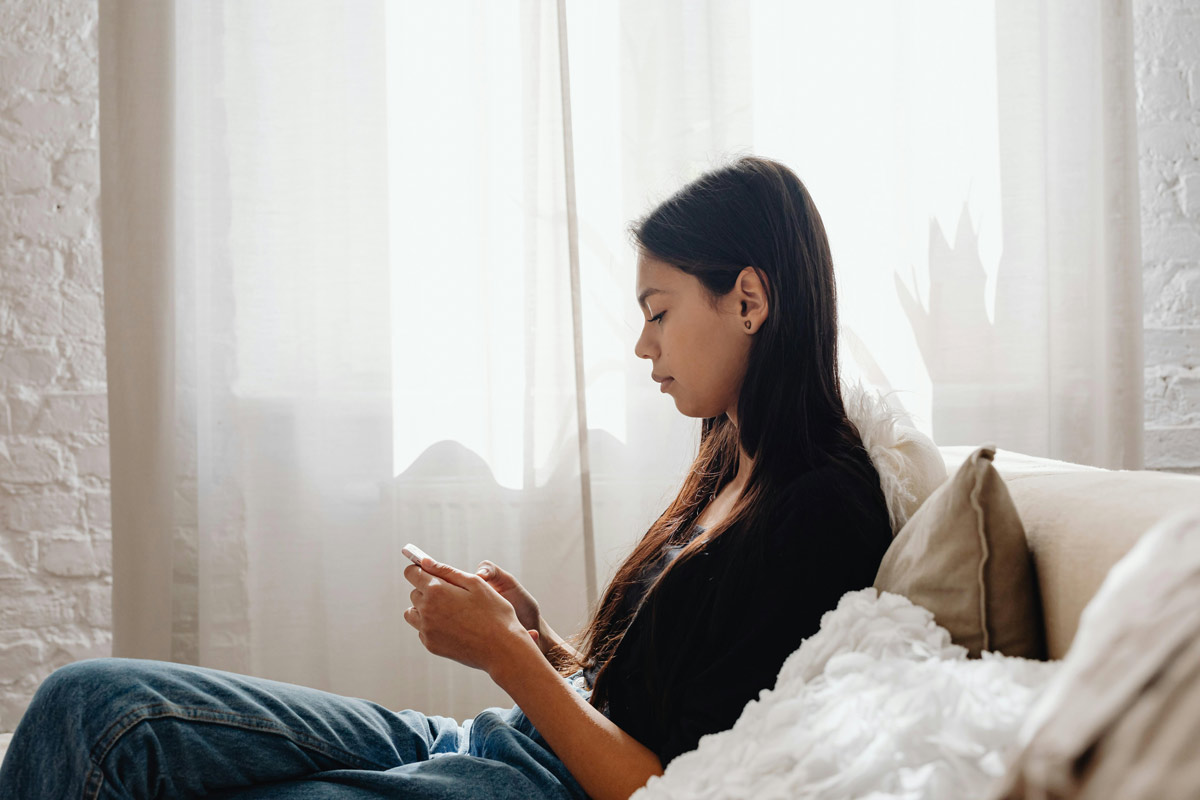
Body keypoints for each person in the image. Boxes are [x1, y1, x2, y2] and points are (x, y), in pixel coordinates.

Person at [0, 155, 892, 800]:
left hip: (545, 784)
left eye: (658, 312)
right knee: (88, 706)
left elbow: (663, 785)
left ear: (748, 299)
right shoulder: (729, 462)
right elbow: (648, 697)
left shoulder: (824, 510)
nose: (642, 345)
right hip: (502, 743)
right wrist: (539, 638)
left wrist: (505, 655)